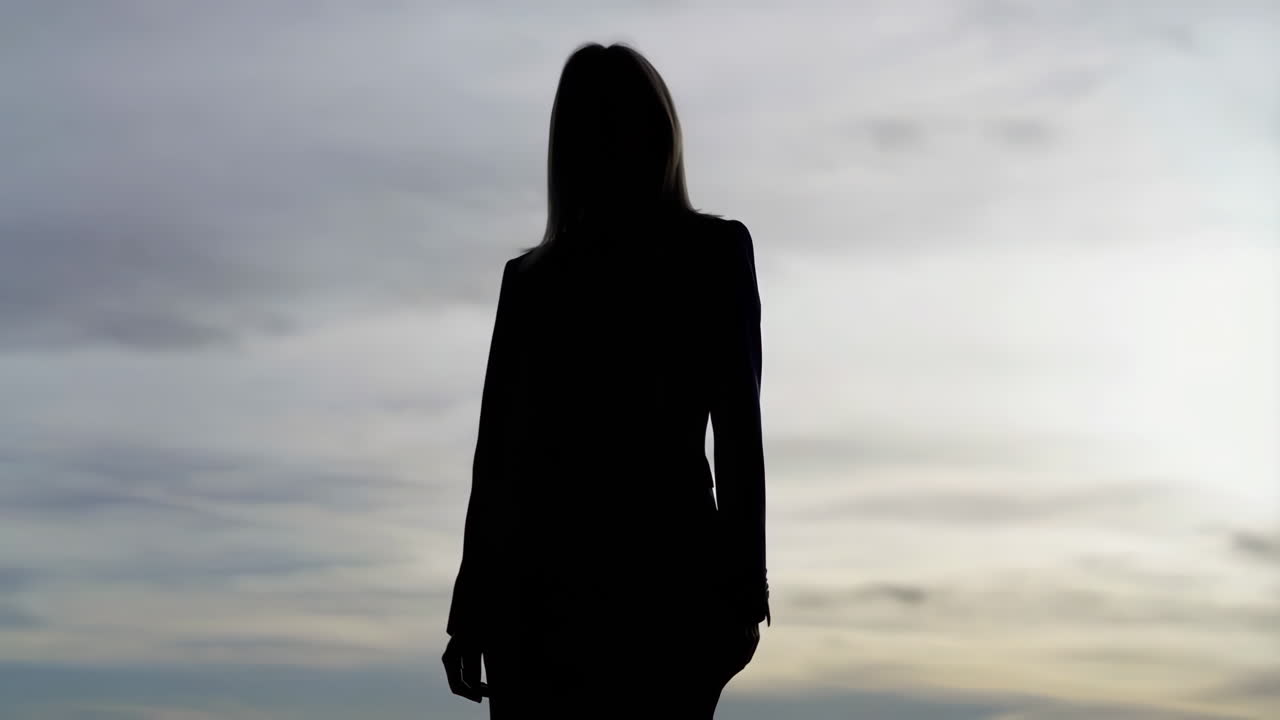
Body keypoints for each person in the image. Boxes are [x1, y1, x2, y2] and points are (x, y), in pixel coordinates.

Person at [441, 41, 770, 719]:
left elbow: (738, 433)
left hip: (637, 594)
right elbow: (499, 457)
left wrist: (744, 590)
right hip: (584, 596)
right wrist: (470, 611)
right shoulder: (541, 280)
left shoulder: (549, 279)